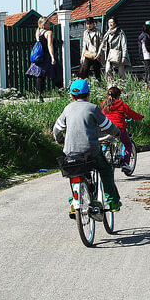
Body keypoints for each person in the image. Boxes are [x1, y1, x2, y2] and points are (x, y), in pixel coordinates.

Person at [52, 79, 122, 212]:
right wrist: (117, 133)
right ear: (88, 94)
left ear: (72, 96)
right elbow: (107, 126)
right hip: (91, 152)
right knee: (106, 169)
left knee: (74, 171)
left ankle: (74, 199)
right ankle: (113, 201)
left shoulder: (67, 109)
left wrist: (60, 140)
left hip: (70, 152)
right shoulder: (93, 108)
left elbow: (57, 130)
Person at [101, 86, 144, 174]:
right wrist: (140, 117)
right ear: (118, 96)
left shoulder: (105, 105)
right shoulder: (121, 105)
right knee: (128, 144)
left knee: (105, 142)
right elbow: (131, 113)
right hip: (119, 129)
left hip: (106, 129)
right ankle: (125, 164)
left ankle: (103, 156)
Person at [27, 18, 55, 102]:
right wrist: (52, 57)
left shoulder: (38, 32)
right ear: (44, 24)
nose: (49, 24)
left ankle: (39, 95)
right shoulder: (49, 33)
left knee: (39, 76)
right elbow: (50, 45)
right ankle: (61, 91)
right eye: (48, 23)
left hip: (39, 56)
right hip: (46, 55)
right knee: (56, 71)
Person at [100, 17, 129, 85]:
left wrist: (124, 56)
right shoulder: (107, 33)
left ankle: (123, 87)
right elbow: (103, 44)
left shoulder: (120, 32)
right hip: (109, 55)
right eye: (109, 22)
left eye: (111, 22)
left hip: (118, 54)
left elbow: (124, 44)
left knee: (121, 72)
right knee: (107, 70)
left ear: (115, 23)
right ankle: (110, 86)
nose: (110, 24)